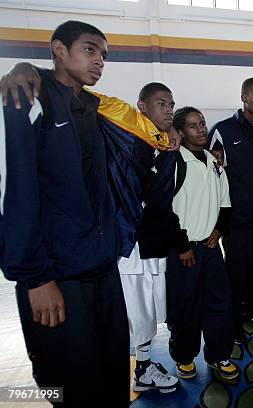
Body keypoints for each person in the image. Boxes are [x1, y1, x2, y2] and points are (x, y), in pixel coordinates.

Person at [0, 21, 130, 406]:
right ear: (58, 49)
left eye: (104, 54)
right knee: (70, 388)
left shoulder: (94, 109)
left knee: (112, 379)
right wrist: (35, 278)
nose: (100, 61)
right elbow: (14, 192)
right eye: (90, 50)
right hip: (55, 278)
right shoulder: (27, 97)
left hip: (102, 271)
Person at [118, 82, 188, 394]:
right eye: (161, 103)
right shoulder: (130, 140)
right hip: (132, 243)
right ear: (142, 106)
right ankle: (140, 370)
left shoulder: (163, 144)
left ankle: (144, 368)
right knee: (135, 310)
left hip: (154, 238)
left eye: (171, 104)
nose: (169, 109)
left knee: (148, 309)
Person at [167, 106, 238, 380]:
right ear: (181, 132)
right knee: (185, 306)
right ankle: (184, 356)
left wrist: (219, 230)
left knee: (219, 303)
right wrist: (182, 245)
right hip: (184, 250)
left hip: (210, 249)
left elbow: (226, 204)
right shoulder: (174, 162)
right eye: (194, 126)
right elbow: (165, 210)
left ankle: (219, 354)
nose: (201, 130)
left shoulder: (214, 163)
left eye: (203, 124)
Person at [208, 78, 253, 343]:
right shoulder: (223, 130)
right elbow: (211, 172)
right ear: (244, 97)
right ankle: (232, 319)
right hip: (236, 218)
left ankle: (251, 308)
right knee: (236, 271)